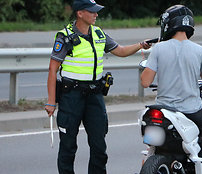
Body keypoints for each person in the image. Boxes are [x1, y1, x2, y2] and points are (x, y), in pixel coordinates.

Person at [44, 0, 151, 173]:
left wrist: (141, 45)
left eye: (96, 11)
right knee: (68, 147)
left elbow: (121, 51)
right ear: (80, 13)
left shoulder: (99, 34)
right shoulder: (65, 36)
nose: (96, 14)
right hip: (71, 97)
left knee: (99, 147)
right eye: (92, 11)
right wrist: (51, 101)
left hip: (94, 97)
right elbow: (52, 69)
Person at [140, 5, 202, 174]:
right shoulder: (199, 51)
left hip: (163, 111)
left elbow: (145, 82)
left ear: (168, 24)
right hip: (192, 110)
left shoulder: (159, 49)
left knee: (151, 150)